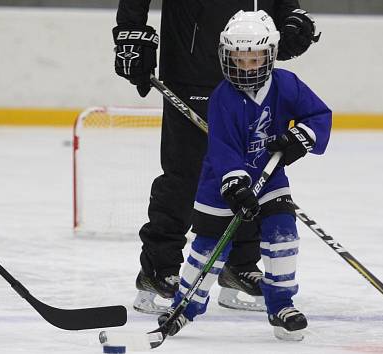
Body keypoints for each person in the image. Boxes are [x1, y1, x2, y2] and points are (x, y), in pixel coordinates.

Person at [112, 0, 320, 313]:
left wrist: (290, 14)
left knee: (252, 166)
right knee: (187, 171)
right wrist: (131, 31)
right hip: (192, 65)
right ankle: (159, 267)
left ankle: (239, 264)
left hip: (249, 63)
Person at [157, 10, 331, 341]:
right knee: (209, 248)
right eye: (238, 59)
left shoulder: (287, 85)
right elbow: (223, 150)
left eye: (254, 60)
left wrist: (300, 138)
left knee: (283, 234)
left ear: (270, 55)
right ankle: (185, 307)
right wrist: (236, 186)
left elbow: (319, 114)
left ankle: (281, 304)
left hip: (269, 178)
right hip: (222, 184)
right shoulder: (223, 96)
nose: (246, 67)